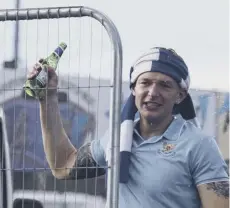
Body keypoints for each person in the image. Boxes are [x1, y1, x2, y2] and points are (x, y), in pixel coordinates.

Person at [28, 47, 229, 208]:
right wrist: (48, 98)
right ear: (134, 89)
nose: (153, 92)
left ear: (180, 95)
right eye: (145, 83)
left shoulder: (199, 145)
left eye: (165, 85)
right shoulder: (115, 140)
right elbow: (63, 165)